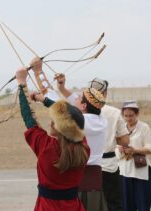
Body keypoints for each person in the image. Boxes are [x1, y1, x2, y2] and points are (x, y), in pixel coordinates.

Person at [30, 57, 107, 211]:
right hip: (93, 184)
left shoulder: (84, 121)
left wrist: (38, 72)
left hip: (79, 184)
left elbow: (55, 102)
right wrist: (62, 86)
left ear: (84, 105)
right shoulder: (100, 119)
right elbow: (67, 100)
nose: (75, 98)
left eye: (79, 98)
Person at [15, 67, 90, 211]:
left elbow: (28, 118)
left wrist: (21, 82)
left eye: (54, 121)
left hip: (47, 207)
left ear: (61, 128)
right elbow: (71, 117)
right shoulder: (84, 148)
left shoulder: (46, 147)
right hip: (74, 206)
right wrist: (41, 98)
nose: (50, 123)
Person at [88, 78, 130, 211]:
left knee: (90, 203)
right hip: (109, 166)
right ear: (105, 93)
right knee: (113, 204)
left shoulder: (82, 111)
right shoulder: (114, 112)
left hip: (88, 165)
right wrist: (113, 139)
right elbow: (125, 141)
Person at [115, 101, 151, 211]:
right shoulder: (121, 129)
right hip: (125, 171)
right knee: (126, 205)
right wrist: (120, 150)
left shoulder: (144, 127)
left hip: (141, 172)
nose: (128, 118)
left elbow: (149, 148)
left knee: (143, 204)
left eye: (131, 115)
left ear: (137, 114)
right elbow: (115, 148)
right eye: (126, 116)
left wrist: (134, 150)